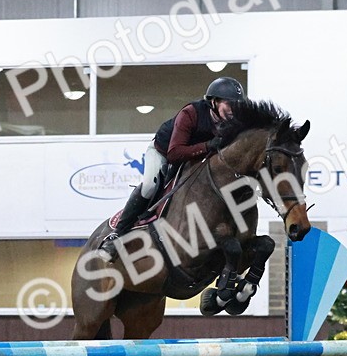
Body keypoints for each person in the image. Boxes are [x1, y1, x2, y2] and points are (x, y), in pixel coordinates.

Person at [99, 76, 244, 262]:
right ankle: (117, 235)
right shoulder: (191, 113)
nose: (233, 111)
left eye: (237, 106)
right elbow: (174, 153)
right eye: (229, 105)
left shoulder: (233, 122)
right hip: (163, 152)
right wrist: (208, 146)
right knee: (150, 186)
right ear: (214, 102)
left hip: (197, 159)